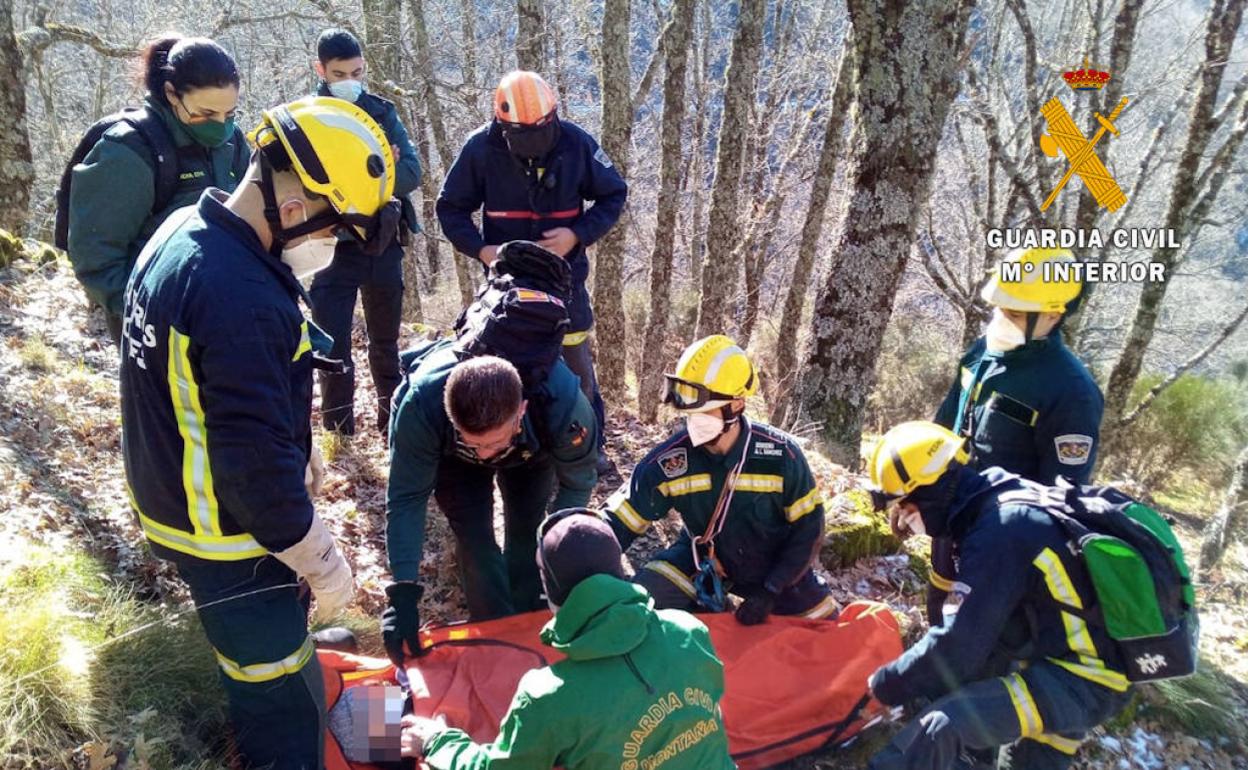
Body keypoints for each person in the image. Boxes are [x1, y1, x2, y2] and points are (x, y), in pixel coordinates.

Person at [120, 96, 399, 768]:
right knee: (276, 694)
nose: (332, 249)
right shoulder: (240, 296)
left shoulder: (183, 232)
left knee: (271, 658)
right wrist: (323, 563)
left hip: (173, 497)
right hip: (226, 535)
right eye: (336, 229)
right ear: (298, 206)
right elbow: (255, 478)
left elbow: (225, 408)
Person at [864, 421, 1132, 770]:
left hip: (1085, 677)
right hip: (1059, 661)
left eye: (905, 509)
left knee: (944, 726)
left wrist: (885, 684)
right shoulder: (992, 497)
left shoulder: (1001, 532)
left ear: (931, 491)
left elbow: (959, 645)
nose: (903, 522)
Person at [399, 509, 737, 769]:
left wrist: (435, 741)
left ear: (551, 593)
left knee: (380, 716)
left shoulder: (547, 695)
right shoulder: (688, 630)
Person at [436, 70, 627, 473]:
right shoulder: (481, 149)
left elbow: (614, 193)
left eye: (541, 128)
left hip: (566, 282)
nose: (534, 139)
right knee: (508, 368)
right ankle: (518, 447)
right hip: (505, 290)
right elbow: (450, 207)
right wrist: (482, 250)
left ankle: (590, 448)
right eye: (522, 132)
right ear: (503, 125)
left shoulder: (575, 144)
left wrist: (577, 234)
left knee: (577, 373)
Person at [922, 247, 1104, 627]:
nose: (1000, 320)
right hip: (952, 507)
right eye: (999, 308)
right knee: (939, 599)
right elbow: (944, 424)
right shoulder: (981, 352)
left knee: (973, 623)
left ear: (1054, 314)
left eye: (1015, 313)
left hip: (1001, 532)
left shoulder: (1071, 391)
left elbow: (1060, 495)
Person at [381, 350, 598, 662]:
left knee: (528, 535)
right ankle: (494, 635)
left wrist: (553, 559)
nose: (485, 455)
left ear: (521, 409)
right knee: (475, 542)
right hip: (454, 461)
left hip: (531, 453)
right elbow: (406, 498)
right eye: (474, 442)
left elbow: (577, 484)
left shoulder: (562, 406)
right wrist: (402, 591)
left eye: (493, 443)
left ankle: (527, 624)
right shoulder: (421, 406)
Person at [605, 335, 839, 625]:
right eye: (689, 413)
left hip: (773, 571)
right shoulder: (672, 461)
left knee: (828, 628)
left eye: (704, 411)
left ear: (736, 405)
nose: (693, 422)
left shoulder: (781, 456)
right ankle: (706, 610)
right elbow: (619, 521)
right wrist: (574, 550)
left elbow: (809, 530)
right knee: (639, 604)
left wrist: (771, 589)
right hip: (701, 559)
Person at [68, 34, 249, 343]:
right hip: (153, 323)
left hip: (222, 312)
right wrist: (151, 312)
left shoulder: (232, 143)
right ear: (171, 94)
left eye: (229, 114)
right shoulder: (129, 151)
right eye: (205, 114)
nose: (220, 125)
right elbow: (96, 257)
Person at [308, 29, 423, 437]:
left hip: (383, 242)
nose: (350, 81)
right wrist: (372, 170)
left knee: (386, 344)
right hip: (329, 248)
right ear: (320, 69)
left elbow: (411, 172)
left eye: (356, 71)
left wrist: (366, 178)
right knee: (332, 346)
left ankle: (394, 424)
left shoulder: (382, 112)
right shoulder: (304, 116)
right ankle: (339, 430)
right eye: (340, 73)